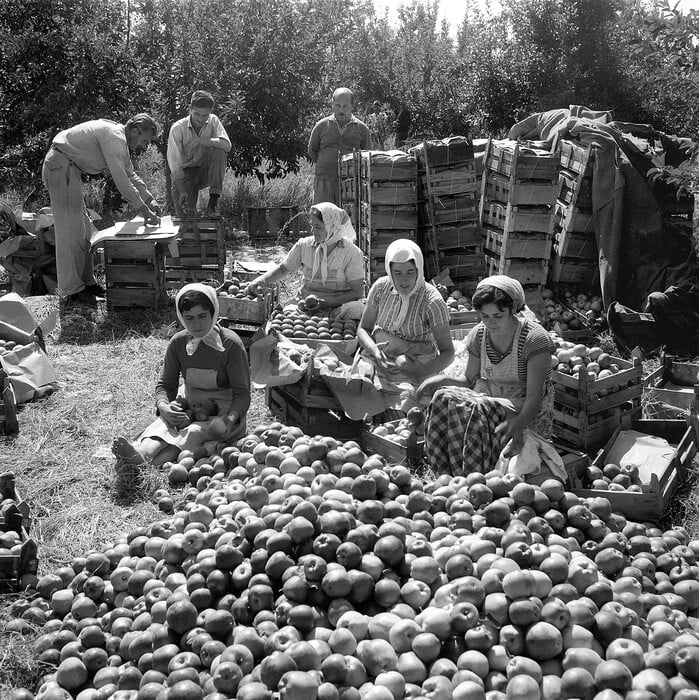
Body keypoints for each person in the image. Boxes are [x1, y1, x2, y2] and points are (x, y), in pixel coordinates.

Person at [417, 275, 556, 477]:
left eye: (498, 316)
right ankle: (445, 474)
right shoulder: (479, 335)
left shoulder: (534, 339)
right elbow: (468, 381)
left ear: (513, 310)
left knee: (479, 408)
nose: (491, 323)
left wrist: (518, 423)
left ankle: (475, 478)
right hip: (490, 398)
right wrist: (440, 381)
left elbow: (535, 397)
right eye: (485, 316)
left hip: (526, 408)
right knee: (443, 398)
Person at [112, 283, 250, 474]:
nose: (197, 324)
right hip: (190, 405)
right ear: (181, 318)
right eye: (189, 318)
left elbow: (242, 393)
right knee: (165, 425)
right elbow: (165, 385)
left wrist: (230, 419)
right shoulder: (178, 343)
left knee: (193, 432)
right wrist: (164, 407)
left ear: (214, 313)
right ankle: (142, 453)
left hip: (224, 414)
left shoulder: (230, 344)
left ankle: (141, 462)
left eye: (202, 316)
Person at [42, 114, 161, 304]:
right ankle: (72, 290)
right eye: (144, 140)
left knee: (84, 231)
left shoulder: (120, 140)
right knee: (69, 232)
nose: (143, 145)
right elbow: (121, 181)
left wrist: (149, 199)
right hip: (60, 166)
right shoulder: (115, 138)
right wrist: (144, 210)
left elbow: (130, 174)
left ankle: (87, 283)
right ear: (135, 131)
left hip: (68, 169)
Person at [357, 239, 454, 387]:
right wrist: (375, 351)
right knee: (360, 388)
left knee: (406, 402)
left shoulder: (432, 301)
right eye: (397, 273)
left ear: (419, 270)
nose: (404, 280)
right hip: (380, 357)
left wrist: (423, 370)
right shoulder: (380, 288)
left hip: (416, 364)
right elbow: (363, 329)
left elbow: (448, 353)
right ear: (390, 272)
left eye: (410, 272)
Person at [246, 202, 365, 319]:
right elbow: (283, 269)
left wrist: (325, 303)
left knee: (357, 309)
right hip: (305, 306)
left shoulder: (351, 253)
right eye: (312, 225)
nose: (313, 230)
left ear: (333, 227)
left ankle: (329, 319)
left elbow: (356, 292)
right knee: (287, 313)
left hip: (337, 307)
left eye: (318, 227)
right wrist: (261, 280)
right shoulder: (305, 245)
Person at [167, 90, 231, 219]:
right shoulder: (178, 128)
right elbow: (176, 166)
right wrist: (182, 191)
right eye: (197, 114)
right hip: (185, 175)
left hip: (205, 172)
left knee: (219, 151)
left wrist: (202, 141)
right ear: (190, 109)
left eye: (205, 115)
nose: (201, 119)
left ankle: (213, 203)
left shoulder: (213, 121)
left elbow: (227, 145)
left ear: (210, 112)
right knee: (187, 220)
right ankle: (187, 204)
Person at [308, 87, 372, 205]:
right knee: (322, 217)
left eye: (345, 106)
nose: (341, 110)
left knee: (347, 220)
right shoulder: (321, 126)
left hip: (351, 184)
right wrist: (327, 165)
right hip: (324, 182)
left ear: (352, 106)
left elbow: (367, 156)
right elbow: (312, 151)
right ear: (332, 105)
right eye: (337, 105)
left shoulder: (362, 129)